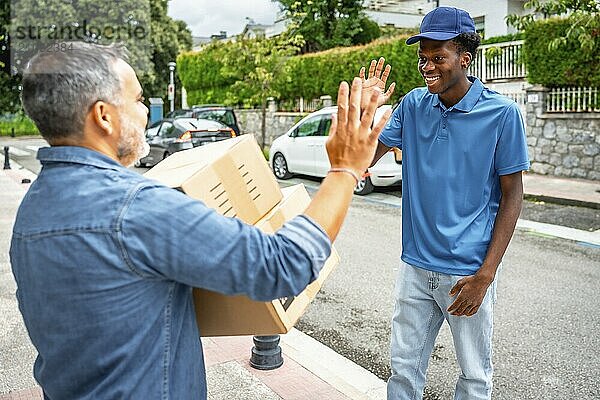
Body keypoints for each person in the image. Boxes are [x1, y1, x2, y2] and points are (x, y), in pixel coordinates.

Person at [10, 41, 391, 399]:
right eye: (139, 100)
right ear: (104, 116)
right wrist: (344, 168)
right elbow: (282, 266)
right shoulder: (135, 208)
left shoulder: (32, 211)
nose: (145, 112)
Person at [361, 7, 530, 400]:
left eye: (438, 57)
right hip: (415, 266)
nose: (428, 66)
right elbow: (364, 157)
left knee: (474, 377)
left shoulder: (502, 114)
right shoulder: (414, 105)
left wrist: (486, 275)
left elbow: (512, 196)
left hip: (468, 273)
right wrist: (364, 114)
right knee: (403, 371)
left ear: (464, 59)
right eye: (423, 58)